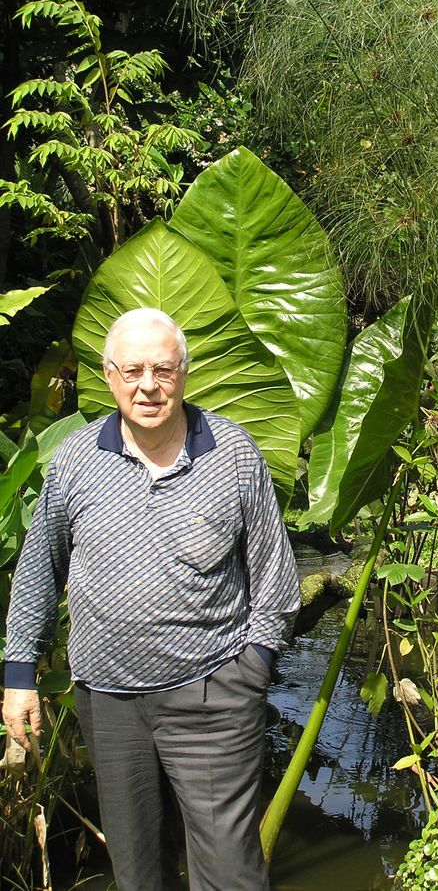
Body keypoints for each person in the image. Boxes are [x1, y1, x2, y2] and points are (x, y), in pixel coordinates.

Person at [2, 307, 301, 891]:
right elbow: (40, 567)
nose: (148, 386)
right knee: (138, 873)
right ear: (110, 376)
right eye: (133, 370)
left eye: (162, 370)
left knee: (231, 875)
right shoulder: (75, 462)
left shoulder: (233, 455)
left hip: (214, 696)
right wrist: (18, 673)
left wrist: (253, 668)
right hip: (109, 703)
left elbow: (275, 578)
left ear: (184, 374)